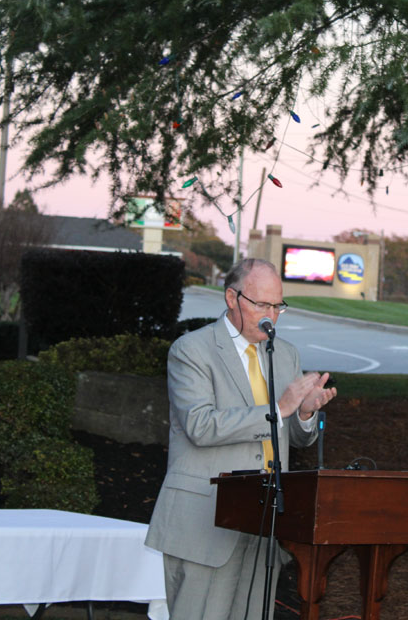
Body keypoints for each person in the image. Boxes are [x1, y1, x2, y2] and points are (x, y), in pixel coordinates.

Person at [145, 258, 337, 620]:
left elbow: (291, 437)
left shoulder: (285, 354)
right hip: (204, 520)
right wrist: (280, 409)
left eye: (278, 305)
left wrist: (305, 413)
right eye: (261, 304)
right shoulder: (191, 350)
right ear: (232, 298)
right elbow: (201, 426)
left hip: (264, 522)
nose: (272, 315)